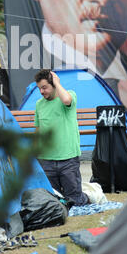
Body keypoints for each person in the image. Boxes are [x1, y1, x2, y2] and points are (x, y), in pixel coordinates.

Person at [34, 69, 89, 206]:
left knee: (75, 200)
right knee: (54, 201)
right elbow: (38, 130)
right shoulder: (39, 104)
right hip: (46, 160)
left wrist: (57, 83)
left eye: (45, 87)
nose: (42, 91)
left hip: (68, 158)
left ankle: (89, 196)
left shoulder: (69, 95)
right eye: (39, 88)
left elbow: (66, 100)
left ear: (53, 84)